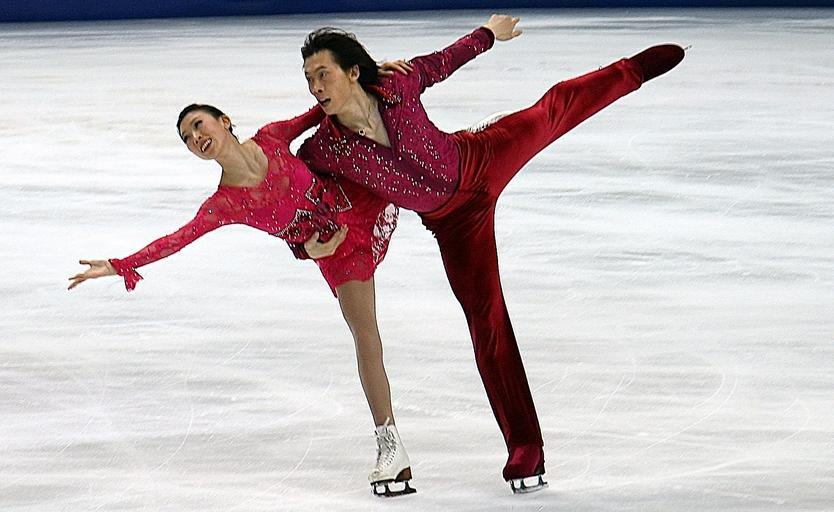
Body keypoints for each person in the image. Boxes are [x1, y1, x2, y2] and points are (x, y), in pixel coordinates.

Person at [295, 14, 685, 493]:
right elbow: (293, 202)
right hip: (455, 223)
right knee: (487, 321)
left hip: (481, 157)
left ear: (353, 71)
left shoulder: (397, 84)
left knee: (551, 112)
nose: (316, 87)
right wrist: (303, 244)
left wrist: (488, 35)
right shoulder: (323, 151)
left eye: (323, 73)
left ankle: (632, 70)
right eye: (309, 79)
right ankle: (526, 449)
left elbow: (444, 61)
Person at [68, 103, 417, 498]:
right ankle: (390, 444)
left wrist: (370, 76)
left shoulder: (271, 138)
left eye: (198, 125)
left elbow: (325, 108)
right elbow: (176, 240)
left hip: (358, 200)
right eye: (187, 138)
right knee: (365, 336)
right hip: (335, 252)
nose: (196, 138)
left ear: (224, 121)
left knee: (420, 182)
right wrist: (120, 265)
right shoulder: (225, 203)